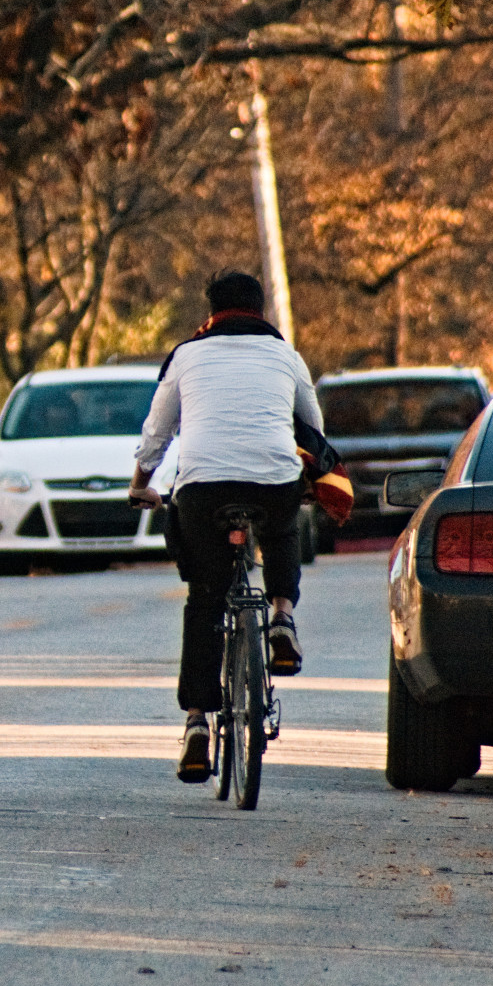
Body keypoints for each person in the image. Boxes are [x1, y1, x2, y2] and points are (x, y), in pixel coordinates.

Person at [127, 270, 322, 783]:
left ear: (210, 312)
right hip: (272, 478)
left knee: (206, 599)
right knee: (282, 525)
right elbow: (314, 428)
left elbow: (157, 432)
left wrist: (139, 482)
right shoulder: (286, 355)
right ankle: (281, 616)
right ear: (261, 310)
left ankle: (196, 722)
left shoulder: (186, 356)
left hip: (203, 488)